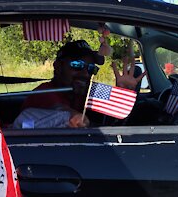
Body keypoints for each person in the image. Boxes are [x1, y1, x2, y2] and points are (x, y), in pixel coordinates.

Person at [14, 37, 143, 129]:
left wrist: (122, 93)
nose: (86, 74)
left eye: (91, 68)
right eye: (77, 65)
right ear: (58, 66)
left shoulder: (81, 95)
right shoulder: (45, 92)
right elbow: (60, 110)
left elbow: (111, 121)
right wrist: (74, 116)